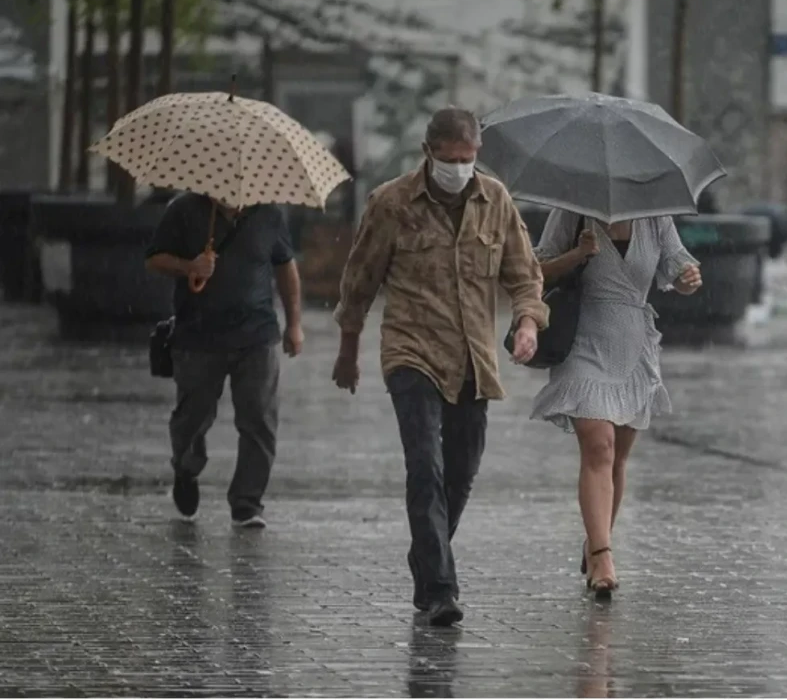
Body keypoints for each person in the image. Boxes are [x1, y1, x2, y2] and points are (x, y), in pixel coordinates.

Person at [331, 108, 548, 626]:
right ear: (427, 153)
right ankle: (439, 590)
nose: (458, 168)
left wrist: (527, 324)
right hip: (412, 351)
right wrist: (347, 349)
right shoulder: (391, 203)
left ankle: (427, 554)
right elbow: (359, 281)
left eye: (467, 159)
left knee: (461, 473)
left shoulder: (494, 199)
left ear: (477, 154)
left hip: (474, 357)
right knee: (424, 465)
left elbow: (524, 276)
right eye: (448, 159)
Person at [530, 210, 702, 596]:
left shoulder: (656, 216)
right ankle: (604, 555)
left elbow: (679, 267)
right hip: (583, 340)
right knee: (598, 445)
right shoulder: (571, 211)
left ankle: (595, 541)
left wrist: (689, 278)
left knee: (617, 457)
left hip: (633, 345)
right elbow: (536, 270)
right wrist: (577, 255)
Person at [145, 192, 303, 528]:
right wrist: (189, 266)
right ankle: (186, 469)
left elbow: (286, 267)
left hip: (257, 335)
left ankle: (247, 502)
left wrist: (295, 324)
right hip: (199, 336)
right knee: (193, 416)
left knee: (259, 418)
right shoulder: (185, 209)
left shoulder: (269, 214)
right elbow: (154, 259)